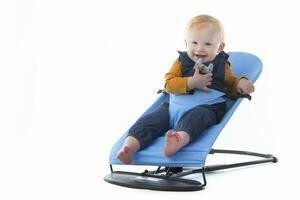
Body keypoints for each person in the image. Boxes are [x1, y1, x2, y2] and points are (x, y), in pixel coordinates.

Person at [117, 15, 255, 164]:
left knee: (196, 119)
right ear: (186, 43)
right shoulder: (180, 63)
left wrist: (240, 82)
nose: (199, 49)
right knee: (149, 121)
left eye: (207, 44)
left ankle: (178, 140)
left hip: (206, 107)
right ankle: (129, 147)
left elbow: (230, 83)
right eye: (194, 42)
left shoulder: (222, 66)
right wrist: (191, 82)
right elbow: (168, 84)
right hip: (172, 109)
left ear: (220, 47)